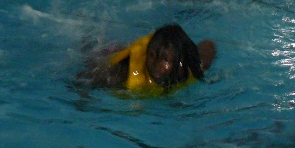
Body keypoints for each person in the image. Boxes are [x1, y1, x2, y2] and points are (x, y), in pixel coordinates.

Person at [79, 23, 217, 93]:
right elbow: (83, 77)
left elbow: (209, 44)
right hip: (108, 57)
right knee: (92, 54)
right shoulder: (122, 73)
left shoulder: (191, 66)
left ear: (180, 62)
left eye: (165, 60)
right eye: (152, 55)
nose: (156, 65)